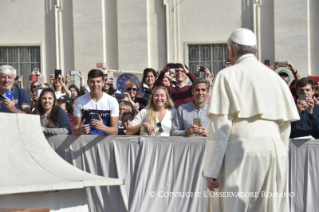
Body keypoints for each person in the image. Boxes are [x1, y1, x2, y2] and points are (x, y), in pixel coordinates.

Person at [204, 28, 299, 212]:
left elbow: (220, 127)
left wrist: (212, 169)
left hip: (239, 149)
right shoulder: (276, 78)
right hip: (274, 150)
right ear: (256, 49)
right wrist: (280, 153)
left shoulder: (226, 75)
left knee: (234, 206)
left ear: (231, 50)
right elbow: (285, 126)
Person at [73, 69, 119, 135]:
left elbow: (115, 131)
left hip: (105, 143)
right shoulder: (80, 100)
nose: (95, 85)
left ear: (103, 82)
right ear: (87, 82)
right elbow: (75, 128)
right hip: (85, 142)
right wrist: (80, 131)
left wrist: (103, 127)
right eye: (92, 81)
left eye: (98, 81)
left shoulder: (112, 101)